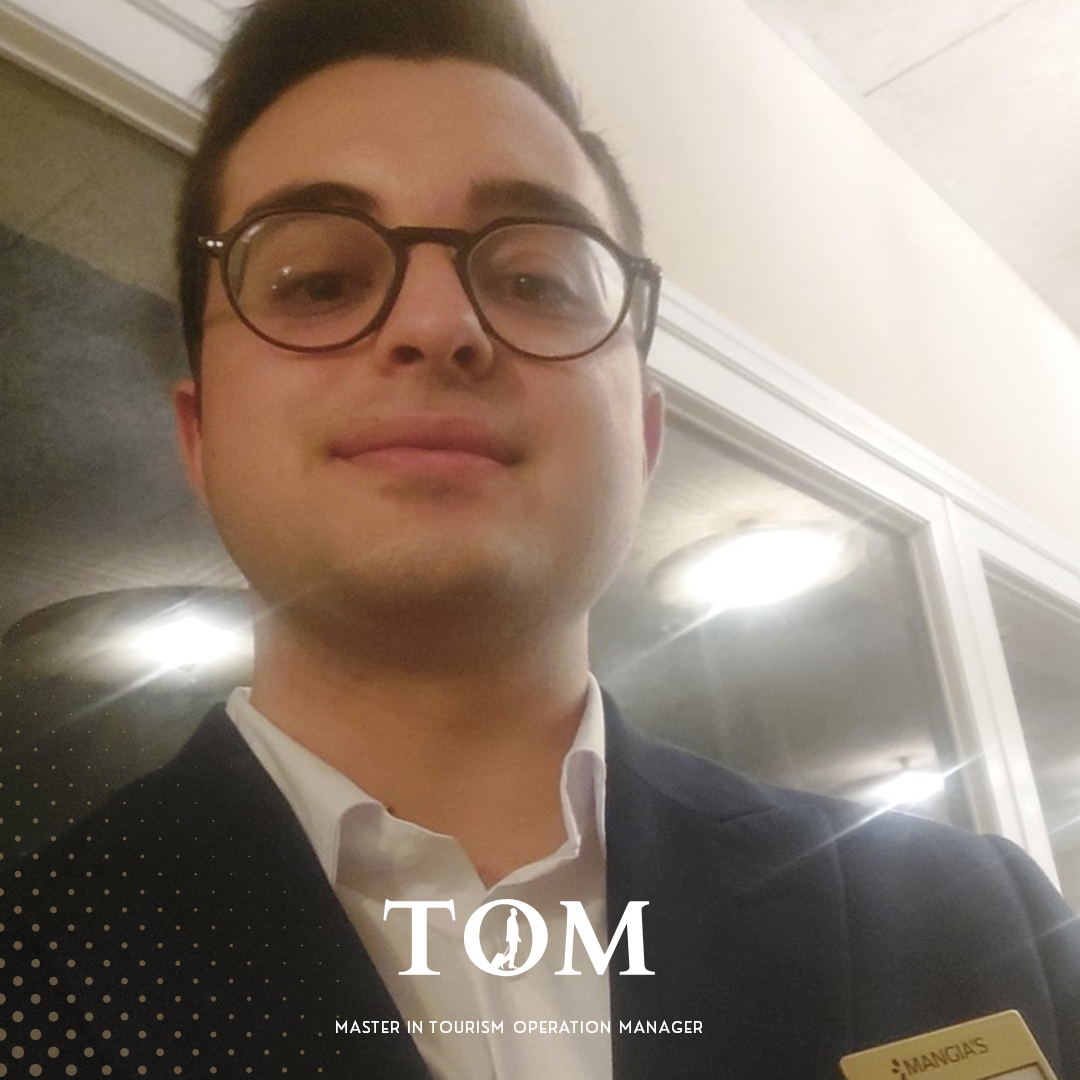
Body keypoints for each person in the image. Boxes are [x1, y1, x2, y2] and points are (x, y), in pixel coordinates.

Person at [3, 0, 1079, 1077]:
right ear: (200, 439)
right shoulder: (31, 983)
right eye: (318, 282)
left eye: (534, 282)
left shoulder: (977, 921)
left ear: (643, 436)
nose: (439, 326)